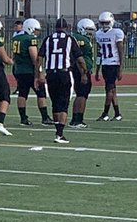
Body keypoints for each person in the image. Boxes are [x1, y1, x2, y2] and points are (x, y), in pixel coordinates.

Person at [40, 17, 85, 145]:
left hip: (50, 74)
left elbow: (39, 58)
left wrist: (39, 73)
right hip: (64, 73)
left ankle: (57, 131)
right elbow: (80, 58)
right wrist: (84, 71)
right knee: (64, 103)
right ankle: (59, 134)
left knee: (55, 104)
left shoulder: (48, 39)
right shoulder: (70, 39)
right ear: (66, 28)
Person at [11, 18, 52, 127]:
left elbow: (14, 56)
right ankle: (45, 117)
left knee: (22, 94)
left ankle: (23, 118)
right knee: (41, 93)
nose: (36, 33)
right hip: (30, 71)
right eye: (35, 30)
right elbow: (35, 58)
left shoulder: (16, 38)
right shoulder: (30, 39)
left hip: (19, 70)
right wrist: (39, 72)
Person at [94, 11, 125, 122]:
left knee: (109, 90)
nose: (104, 25)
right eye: (102, 23)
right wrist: (97, 70)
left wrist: (121, 68)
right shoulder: (98, 34)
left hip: (113, 64)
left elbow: (121, 51)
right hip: (105, 65)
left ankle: (105, 113)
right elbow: (99, 52)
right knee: (112, 90)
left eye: (106, 23)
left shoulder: (117, 33)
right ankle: (117, 114)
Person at [71, 17, 97, 128]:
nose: (90, 32)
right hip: (81, 70)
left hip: (76, 69)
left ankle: (74, 119)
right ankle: (78, 120)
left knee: (79, 95)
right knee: (82, 95)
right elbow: (79, 57)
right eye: (88, 29)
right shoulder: (82, 40)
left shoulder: (74, 37)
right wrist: (83, 72)